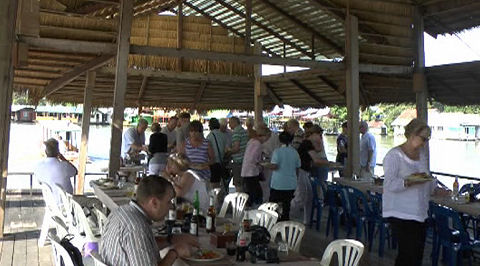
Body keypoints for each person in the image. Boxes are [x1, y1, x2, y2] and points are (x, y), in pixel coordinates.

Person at [383, 118, 449, 266]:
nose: (425, 143)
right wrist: (410, 181)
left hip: (419, 212)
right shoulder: (394, 155)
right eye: (423, 139)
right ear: (412, 135)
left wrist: (437, 189)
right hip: (400, 212)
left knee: (417, 256)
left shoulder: (422, 155)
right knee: (407, 256)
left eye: (427, 140)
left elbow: (426, 177)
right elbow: (389, 184)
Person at [100, 176, 199, 266]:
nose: (171, 207)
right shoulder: (137, 229)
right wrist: (175, 252)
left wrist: (171, 239)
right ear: (154, 202)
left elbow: (143, 246)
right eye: (168, 201)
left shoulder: (122, 211)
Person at [293, 125, 331, 224]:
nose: (320, 138)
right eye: (319, 135)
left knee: (309, 197)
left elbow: (318, 150)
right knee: (301, 197)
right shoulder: (307, 143)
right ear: (314, 134)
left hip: (304, 171)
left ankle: (307, 220)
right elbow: (316, 160)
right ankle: (286, 212)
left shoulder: (308, 143)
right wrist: (330, 163)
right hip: (301, 171)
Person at [268, 132, 301, 221]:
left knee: (273, 205)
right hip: (290, 183)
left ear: (280, 140)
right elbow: (297, 168)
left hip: (278, 183)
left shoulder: (277, 151)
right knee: (287, 205)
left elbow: (275, 166)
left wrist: (265, 165)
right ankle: (285, 222)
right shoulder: (295, 152)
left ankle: (273, 222)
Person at [35, 138, 77, 204]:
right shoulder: (64, 166)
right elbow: (75, 171)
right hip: (66, 205)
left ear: (46, 152)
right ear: (58, 152)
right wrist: (63, 158)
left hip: (50, 203)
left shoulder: (39, 166)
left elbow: (39, 181)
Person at [241, 127, 270, 206]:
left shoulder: (251, 141)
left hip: (247, 171)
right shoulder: (257, 144)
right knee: (256, 193)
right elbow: (252, 158)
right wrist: (260, 163)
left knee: (251, 191)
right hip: (251, 172)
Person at [225, 116, 248, 193]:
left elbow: (236, 148)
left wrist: (228, 150)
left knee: (238, 184)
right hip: (245, 160)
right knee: (244, 183)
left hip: (238, 161)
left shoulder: (236, 133)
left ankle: (240, 201)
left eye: (230, 123)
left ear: (234, 122)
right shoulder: (244, 131)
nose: (229, 125)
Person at [206, 118, 227, 189]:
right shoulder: (223, 135)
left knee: (213, 186)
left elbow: (207, 150)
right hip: (222, 162)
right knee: (220, 185)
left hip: (213, 163)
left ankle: (215, 199)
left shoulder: (210, 136)